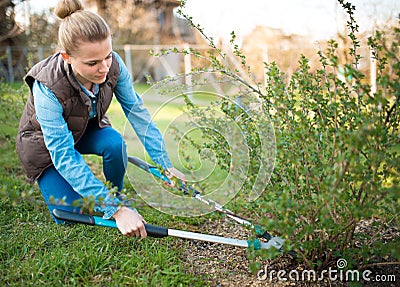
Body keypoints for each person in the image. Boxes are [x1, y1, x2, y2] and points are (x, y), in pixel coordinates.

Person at [16, 0, 184, 239]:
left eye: (107, 56)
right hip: (44, 146)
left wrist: (165, 165)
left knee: (115, 144)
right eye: (92, 63)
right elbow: (63, 154)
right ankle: (114, 206)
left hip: (84, 130)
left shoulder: (114, 64)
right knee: (69, 214)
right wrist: (115, 212)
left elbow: (138, 114)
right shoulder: (47, 87)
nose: (104, 67)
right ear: (67, 57)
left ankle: (116, 197)